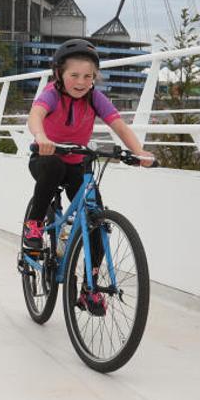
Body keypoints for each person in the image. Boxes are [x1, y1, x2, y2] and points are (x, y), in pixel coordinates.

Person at [24, 38, 154, 315]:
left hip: (78, 164)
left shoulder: (95, 98)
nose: (81, 82)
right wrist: (41, 136)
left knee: (97, 220)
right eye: (74, 75)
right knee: (54, 167)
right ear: (59, 74)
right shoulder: (52, 93)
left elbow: (119, 125)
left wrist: (139, 152)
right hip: (46, 158)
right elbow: (35, 115)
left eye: (88, 76)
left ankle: (89, 288)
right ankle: (34, 224)